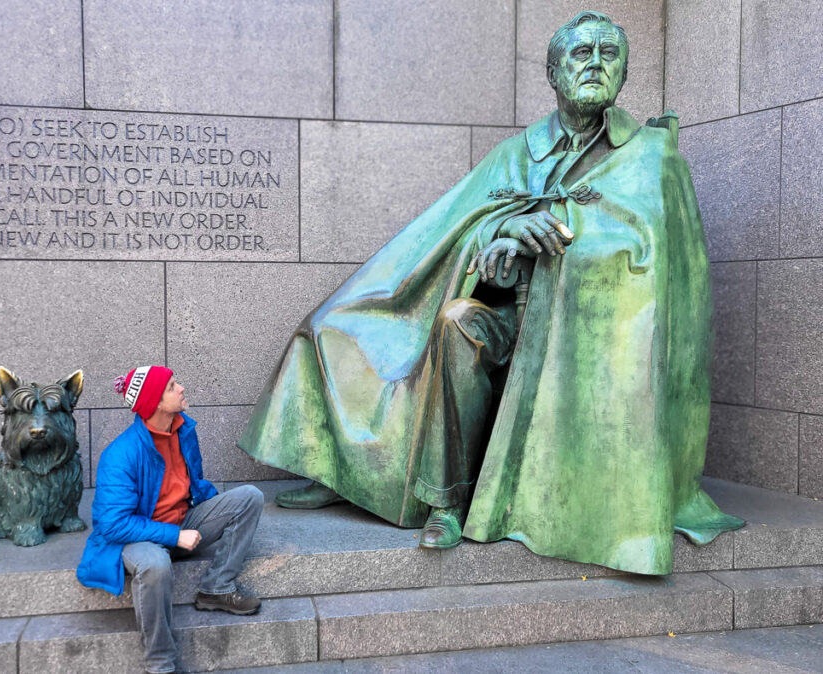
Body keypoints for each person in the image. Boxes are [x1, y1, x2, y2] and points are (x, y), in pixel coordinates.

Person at [238, 11, 743, 575]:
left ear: (624, 71)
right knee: (426, 321)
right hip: (513, 320)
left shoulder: (652, 155)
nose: (595, 64)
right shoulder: (517, 153)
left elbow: (663, 270)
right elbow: (462, 230)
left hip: (588, 342)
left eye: (608, 53)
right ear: (553, 72)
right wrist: (501, 235)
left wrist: (559, 237)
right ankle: (435, 497)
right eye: (581, 54)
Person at [77, 365, 263, 673]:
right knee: (155, 565)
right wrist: (175, 537)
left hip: (181, 520)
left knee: (249, 497)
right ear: (156, 404)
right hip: (138, 536)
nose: (181, 388)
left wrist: (214, 510)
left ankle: (216, 588)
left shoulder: (183, 430)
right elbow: (113, 524)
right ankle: (161, 663)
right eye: (172, 386)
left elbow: (193, 480)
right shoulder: (120, 454)